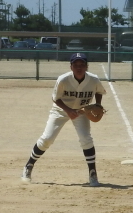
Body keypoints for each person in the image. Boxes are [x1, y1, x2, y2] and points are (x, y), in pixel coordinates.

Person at [22, 52, 106, 186]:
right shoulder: (63, 79)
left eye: (82, 64)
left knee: (86, 139)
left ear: (87, 66)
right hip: (60, 110)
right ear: (71, 67)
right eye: (76, 65)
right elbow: (55, 98)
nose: (79, 67)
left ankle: (93, 173)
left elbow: (99, 91)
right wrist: (68, 110)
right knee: (47, 138)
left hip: (81, 111)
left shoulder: (93, 79)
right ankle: (29, 165)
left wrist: (98, 105)